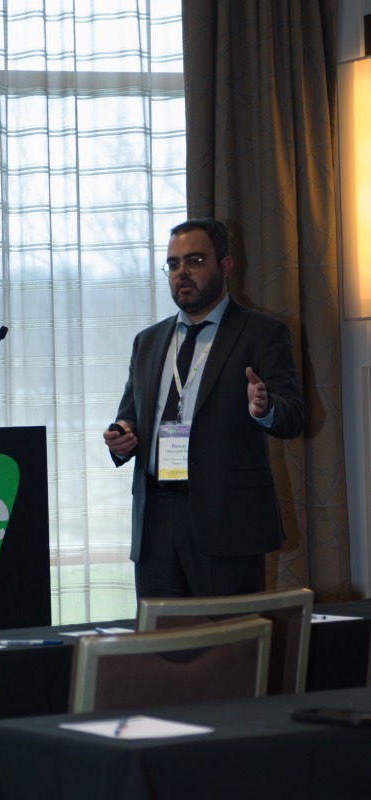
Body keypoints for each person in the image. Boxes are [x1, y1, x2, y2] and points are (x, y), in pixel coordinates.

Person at [103, 217, 306, 599]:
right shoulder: (148, 341)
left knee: (228, 634)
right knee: (163, 634)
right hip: (154, 520)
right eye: (173, 264)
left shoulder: (262, 332)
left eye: (194, 261)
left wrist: (264, 408)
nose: (182, 272)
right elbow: (130, 416)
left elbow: (293, 415)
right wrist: (122, 437)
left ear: (225, 265)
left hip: (226, 520)